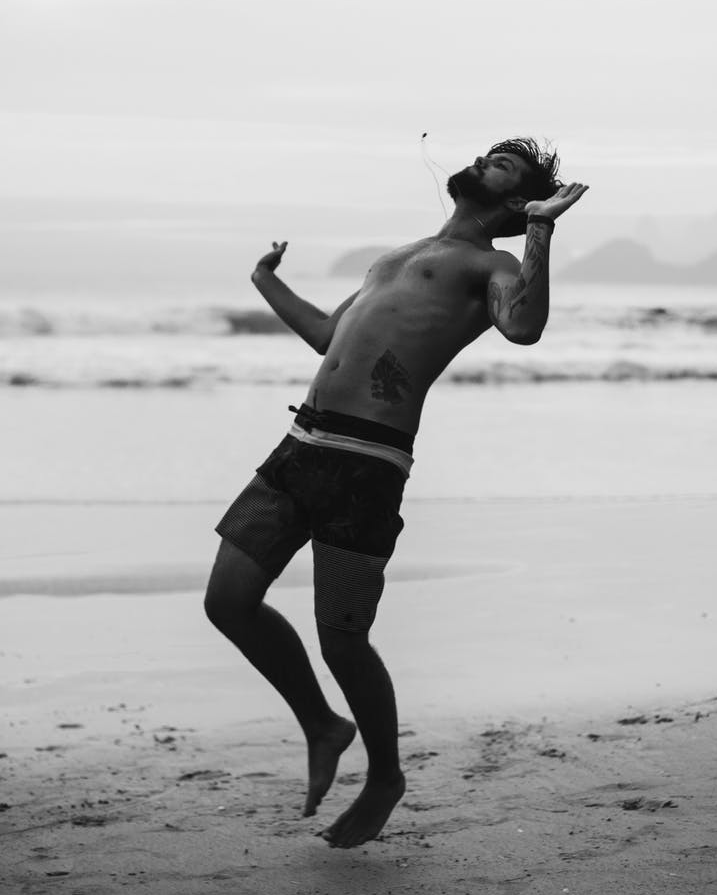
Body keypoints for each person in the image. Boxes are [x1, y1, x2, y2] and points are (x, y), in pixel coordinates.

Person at [204, 138, 589, 848]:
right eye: (488, 154)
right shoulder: (395, 256)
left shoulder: (494, 265)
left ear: (515, 200)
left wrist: (540, 228)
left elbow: (524, 328)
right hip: (301, 445)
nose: (482, 160)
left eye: (501, 163)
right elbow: (328, 337)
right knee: (226, 601)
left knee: (343, 639)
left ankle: (385, 775)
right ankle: (323, 725)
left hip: (367, 462)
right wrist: (266, 283)